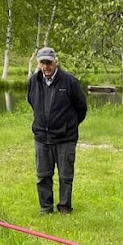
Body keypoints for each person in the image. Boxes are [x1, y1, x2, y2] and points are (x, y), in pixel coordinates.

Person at [26, 46, 88, 214]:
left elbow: (81, 108)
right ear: (38, 63)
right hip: (41, 137)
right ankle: (45, 208)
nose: (45, 67)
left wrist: (68, 125)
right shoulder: (33, 81)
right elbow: (32, 102)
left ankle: (65, 207)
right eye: (42, 63)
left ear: (56, 63)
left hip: (65, 138)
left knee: (65, 176)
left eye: (49, 63)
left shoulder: (69, 81)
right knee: (43, 176)